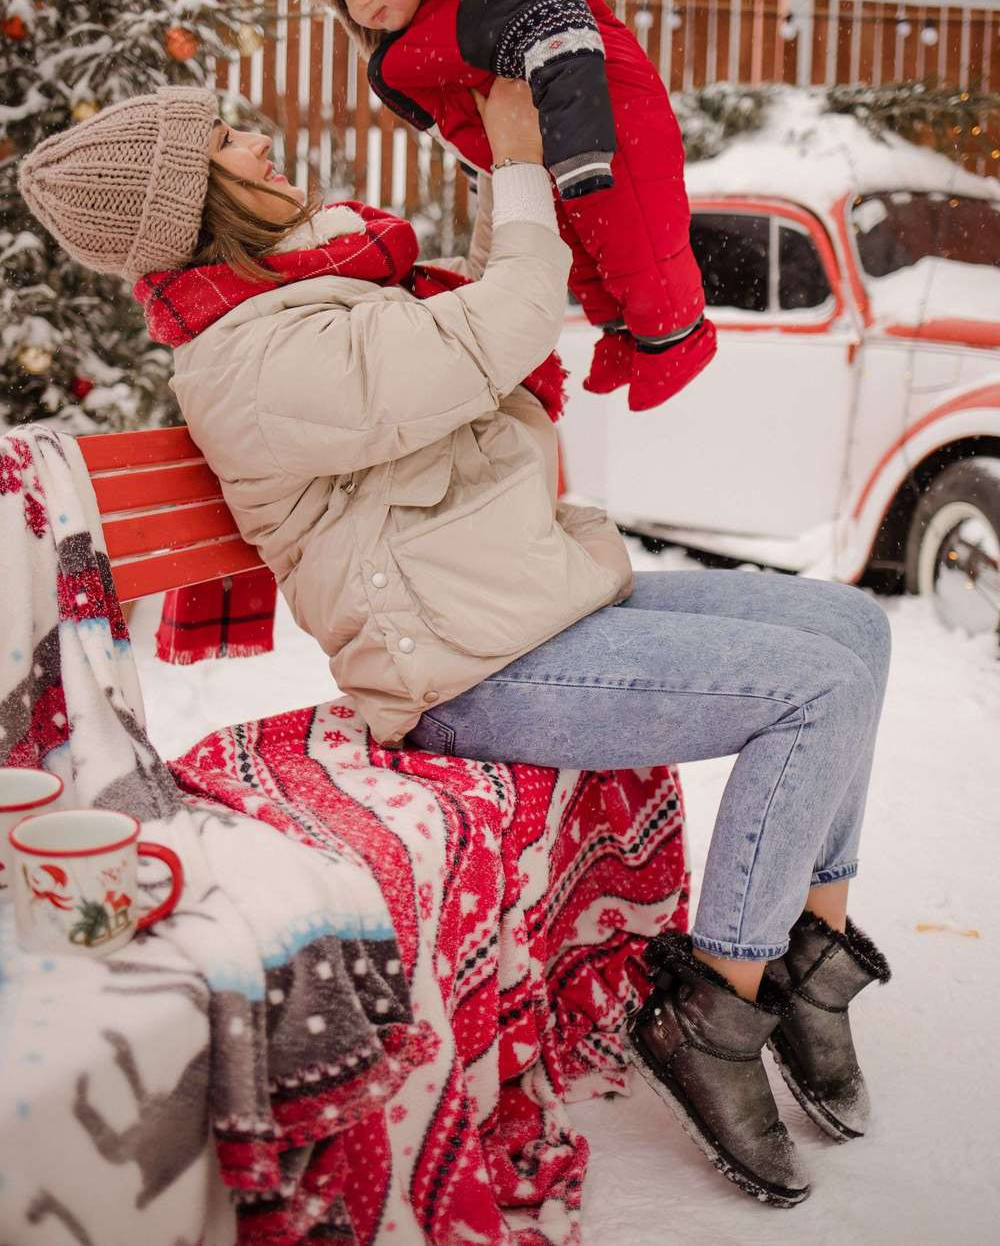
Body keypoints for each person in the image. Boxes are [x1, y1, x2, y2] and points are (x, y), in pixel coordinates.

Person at [19, 81, 891, 1212]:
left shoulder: (312, 292)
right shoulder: (255, 357)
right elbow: (499, 329)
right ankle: (714, 1011)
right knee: (815, 690)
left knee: (853, 627)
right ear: (191, 198)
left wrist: (493, 152)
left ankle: (812, 961)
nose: (260, 139)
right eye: (226, 139)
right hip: (467, 669)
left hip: (530, 602)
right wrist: (521, 168)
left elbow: (473, 318)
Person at [249, 0, 716, 414]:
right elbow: (466, 121)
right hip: (553, 148)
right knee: (581, 251)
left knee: (638, 241)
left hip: (611, 128)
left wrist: (580, 151)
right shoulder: (430, 25)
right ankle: (622, 334)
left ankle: (675, 340)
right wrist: (488, 172)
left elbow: (566, 42)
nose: (359, 0)